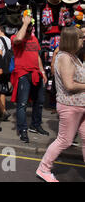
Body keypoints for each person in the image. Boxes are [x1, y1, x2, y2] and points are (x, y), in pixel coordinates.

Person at [36, 27, 85, 182]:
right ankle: (43, 169)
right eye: (81, 37)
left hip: (80, 105)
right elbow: (69, 85)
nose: (83, 40)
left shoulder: (73, 56)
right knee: (65, 140)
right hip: (70, 106)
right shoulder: (64, 58)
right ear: (72, 40)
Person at [11, 16, 49, 143]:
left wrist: (42, 71)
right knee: (22, 104)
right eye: (27, 28)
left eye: (30, 28)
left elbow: (37, 56)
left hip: (35, 73)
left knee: (39, 102)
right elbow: (19, 38)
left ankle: (35, 125)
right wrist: (25, 23)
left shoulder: (34, 39)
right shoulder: (15, 38)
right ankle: (23, 130)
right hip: (23, 74)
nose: (30, 30)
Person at [0, 25, 12, 122]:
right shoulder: (9, 40)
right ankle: (2, 109)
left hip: (0, 67)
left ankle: (3, 111)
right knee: (2, 90)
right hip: (7, 67)